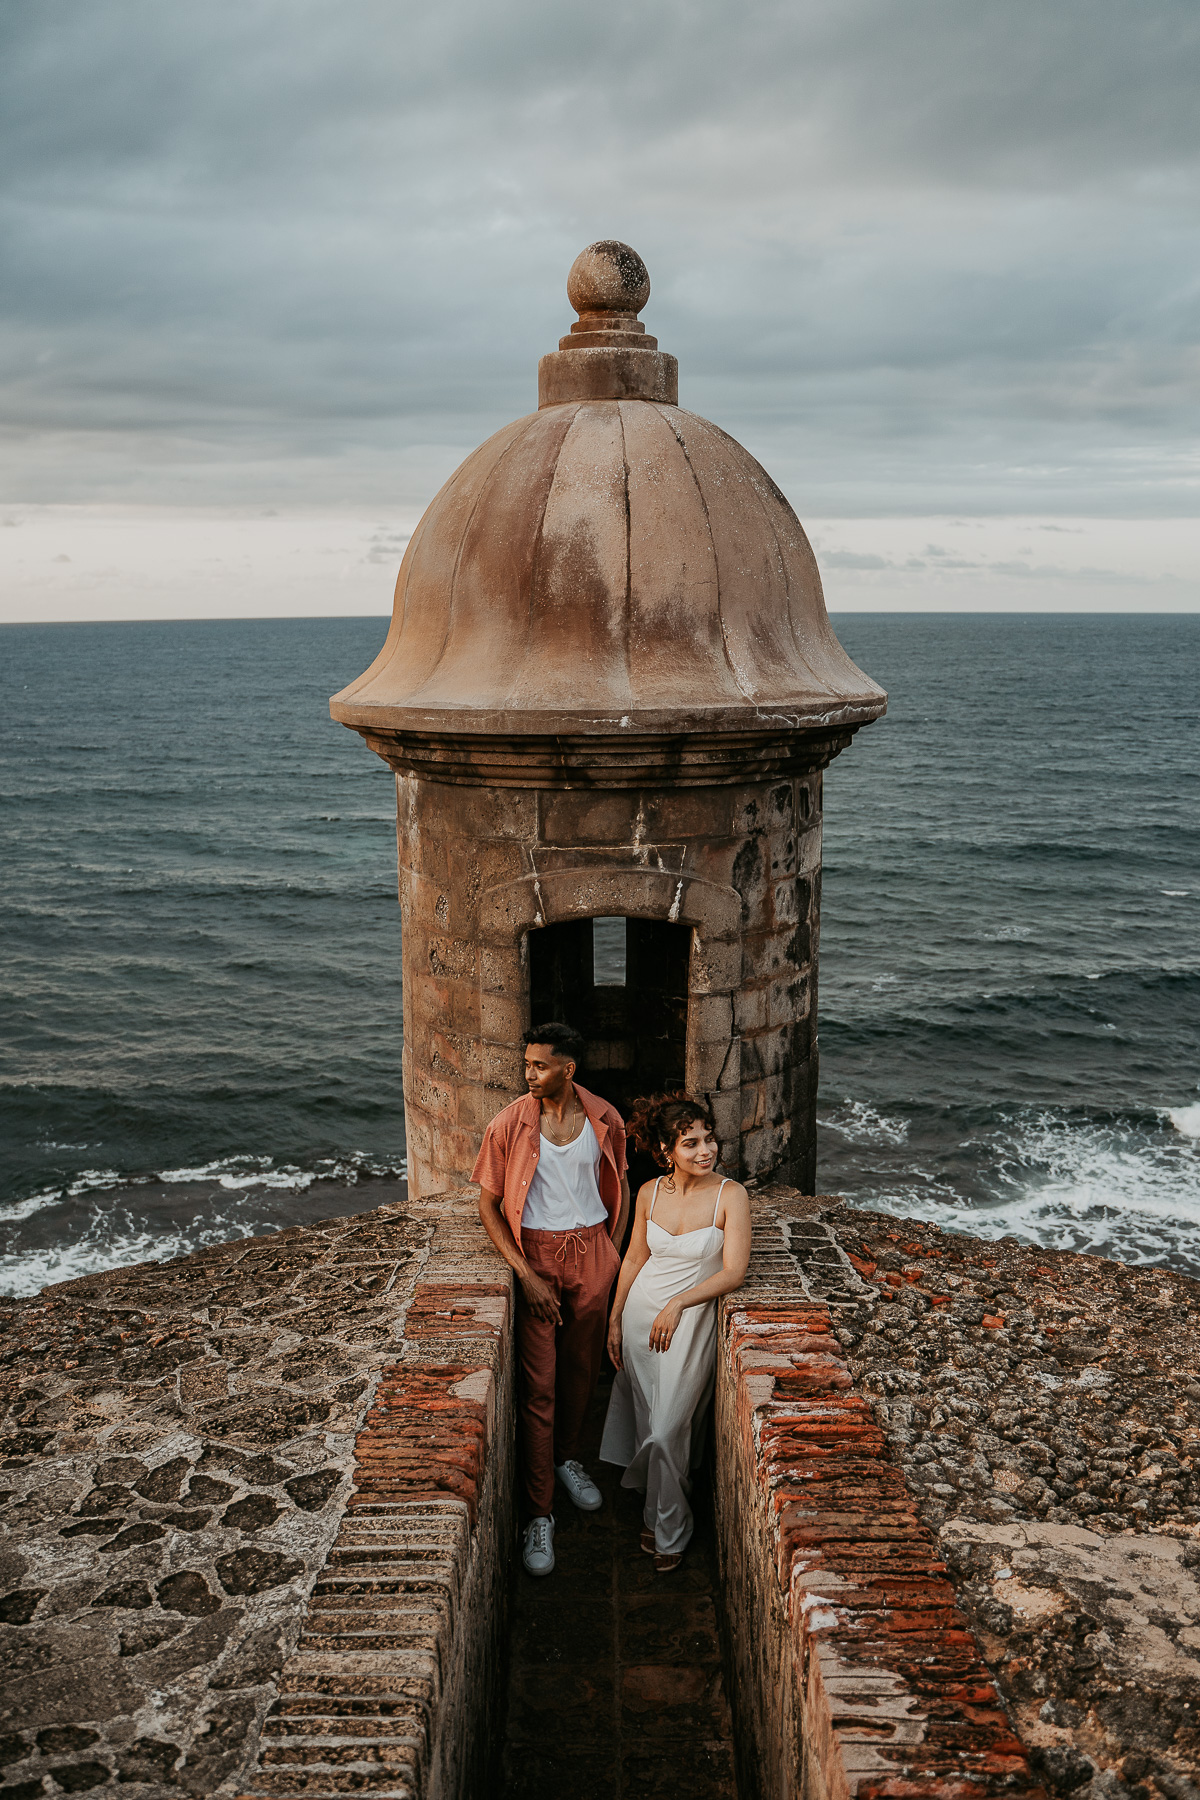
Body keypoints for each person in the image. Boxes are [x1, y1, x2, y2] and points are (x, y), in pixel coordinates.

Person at [473, 1022, 630, 1578]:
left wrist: (609, 1253)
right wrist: (526, 1276)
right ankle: (540, 1515)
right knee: (538, 1386)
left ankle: (568, 1459)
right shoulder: (509, 1123)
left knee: (582, 1373)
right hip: (537, 1256)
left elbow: (622, 1187)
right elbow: (488, 1206)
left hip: (592, 1252)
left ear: (569, 1068)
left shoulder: (605, 1117)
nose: (529, 1075)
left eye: (539, 1065)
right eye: (526, 1065)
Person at [599, 1093, 750, 1571]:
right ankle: (656, 1513)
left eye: (709, 1140)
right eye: (691, 1143)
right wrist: (616, 1316)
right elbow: (635, 1258)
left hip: (687, 1321)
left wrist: (680, 1303)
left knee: (667, 1431)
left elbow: (734, 1273)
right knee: (648, 1420)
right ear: (666, 1150)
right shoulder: (649, 1192)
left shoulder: (732, 1195)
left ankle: (673, 1527)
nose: (705, 1151)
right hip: (642, 1317)